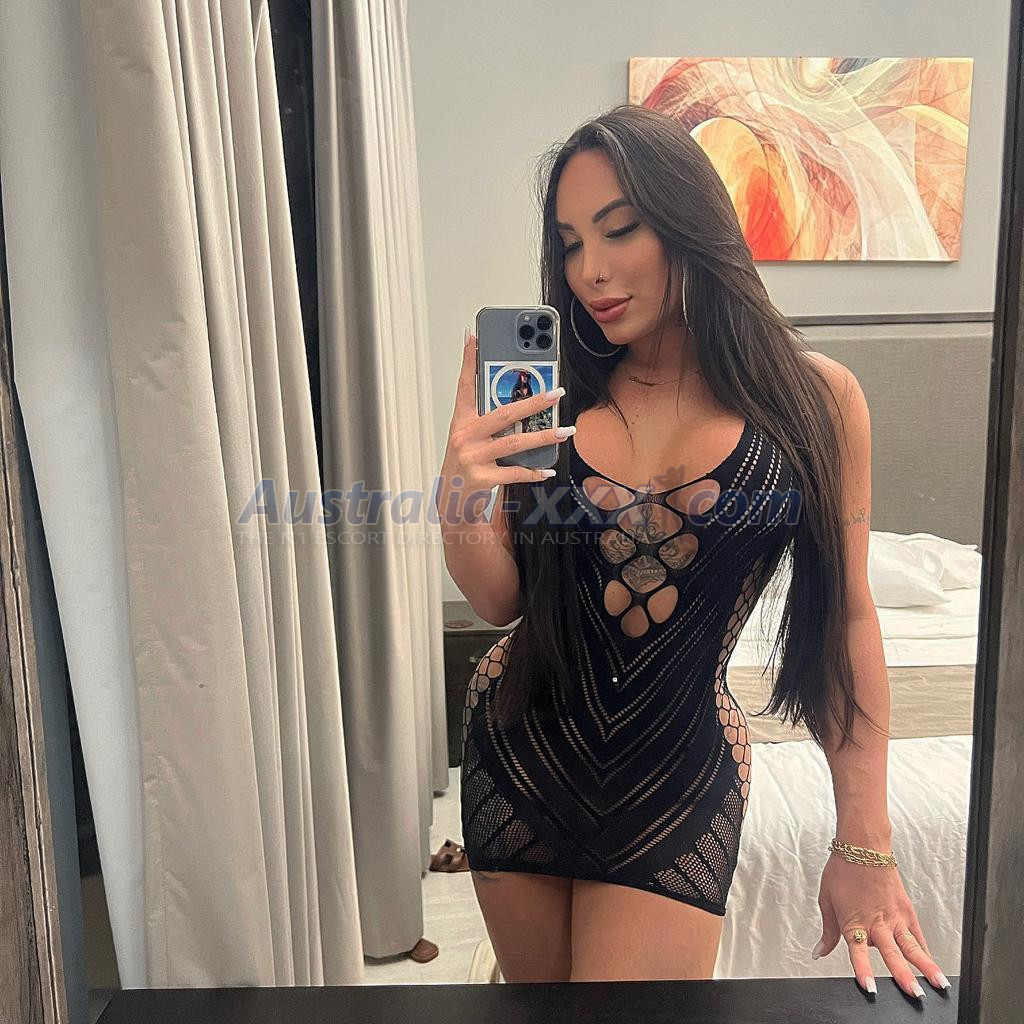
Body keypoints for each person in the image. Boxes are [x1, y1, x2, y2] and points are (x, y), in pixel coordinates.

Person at [437, 104, 948, 998]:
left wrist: (865, 841)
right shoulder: (555, 395)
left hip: (678, 774)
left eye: (619, 230)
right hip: (517, 750)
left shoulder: (817, 402)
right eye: (569, 244)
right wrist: (460, 491)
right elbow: (497, 601)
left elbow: (847, 619)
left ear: (689, 222)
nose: (590, 271)